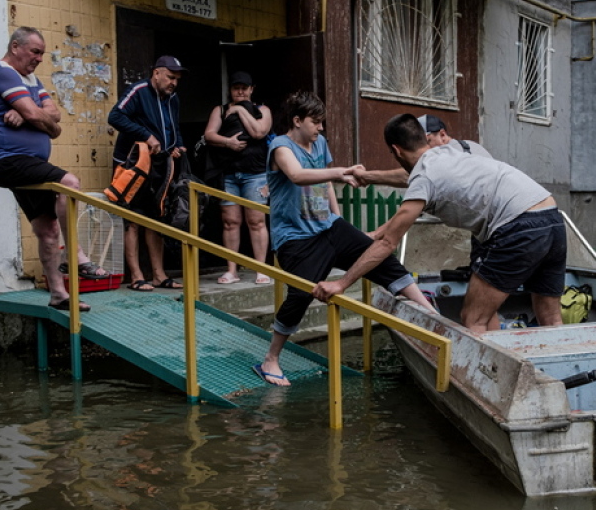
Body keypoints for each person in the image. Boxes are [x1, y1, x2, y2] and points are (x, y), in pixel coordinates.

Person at [312, 114, 565, 335]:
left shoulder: (424, 177)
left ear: (397, 150)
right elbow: (408, 176)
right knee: (550, 316)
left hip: (517, 225)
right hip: (551, 216)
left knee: (473, 319)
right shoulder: (450, 151)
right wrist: (368, 177)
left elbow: (388, 242)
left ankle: (488, 384)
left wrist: (341, 283)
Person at [254, 93, 434, 386]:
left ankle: (432, 315)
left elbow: (324, 184)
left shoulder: (319, 144)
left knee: (381, 258)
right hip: (296, 238)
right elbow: (298, 176)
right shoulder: (280, 146)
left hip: (329, 226)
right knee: (300, 295)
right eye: (316, 122)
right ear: (297, 121)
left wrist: (337, 219)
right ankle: (270, 359)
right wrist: (344, 172)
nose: (321, 128)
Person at [0, 26, 110, 312]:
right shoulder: (2, 72)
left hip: (30, 163)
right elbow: (40, 116)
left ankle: (58, 295)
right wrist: (36, 116)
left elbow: (55, 116)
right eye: (35, 52)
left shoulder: (31, 79)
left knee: (47, 229)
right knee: (69, 183)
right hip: (8, 160)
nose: (39, 58)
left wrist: (33, 115)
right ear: (16, 47)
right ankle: (75, 255)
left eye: (42, 53)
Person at [107, 56, 189, 292]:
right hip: (133, 164)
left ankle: (159, 275)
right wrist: (145, 135)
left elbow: (175, 128)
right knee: (132, 219)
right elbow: (115, 116)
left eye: (177, 79)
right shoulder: (139, 90)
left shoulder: (173, 99)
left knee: (156, 218)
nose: (174, 82)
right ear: (156, 73)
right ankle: (136, 276)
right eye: (171, 77)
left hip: (160, 166)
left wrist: (177, 145)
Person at [201, 71, 273, 285]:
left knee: (257, 221)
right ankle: (231, 270)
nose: (240, 91)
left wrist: (241, 110)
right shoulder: (220, 110)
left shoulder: (262, 110)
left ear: (251, 89)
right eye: (236, 88)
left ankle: (260, 269)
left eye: (244, 87)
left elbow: (259, 132)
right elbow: (209, 135)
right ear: (230, 90)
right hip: (228, 173)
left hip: (256, 174)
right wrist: (227, 142)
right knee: (230, 222)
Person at [349, 114, 490, 188]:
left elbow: (411, 175)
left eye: (426, 142)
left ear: (442, 135)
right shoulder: (471, 146)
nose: (422, 150)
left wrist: (366, 176)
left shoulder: (454, 151)